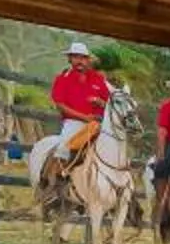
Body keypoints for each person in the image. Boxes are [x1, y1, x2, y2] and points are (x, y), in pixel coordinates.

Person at [41, 41, 115, 193]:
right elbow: (60, 105)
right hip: (74, 122)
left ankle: (119, 187)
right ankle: (55, 181)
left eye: (83, 57)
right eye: (75, 57)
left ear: (88, 60)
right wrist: (84, 117)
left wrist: (101, 102)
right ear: (70, 59)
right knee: (64, 146)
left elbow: (110, 102)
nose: (79, 61)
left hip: (99, 123)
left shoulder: (98, 79)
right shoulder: (62, 79)